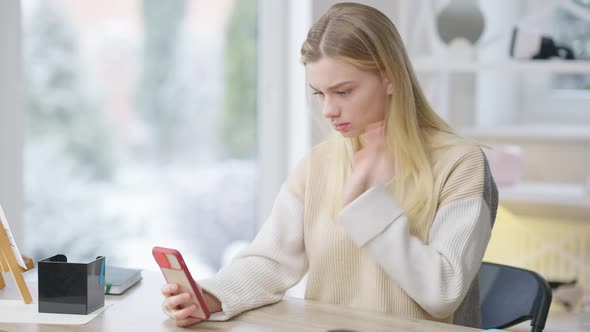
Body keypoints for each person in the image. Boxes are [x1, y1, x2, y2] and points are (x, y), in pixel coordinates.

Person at [161, 2, 498, 328]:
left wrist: (363, 202)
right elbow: (271, 261)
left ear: (390, 77)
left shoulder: (461, 164)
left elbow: (443, 290)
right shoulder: (319, 163)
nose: (328, 110)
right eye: (319, 93)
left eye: (343, 91)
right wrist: (209, 295)